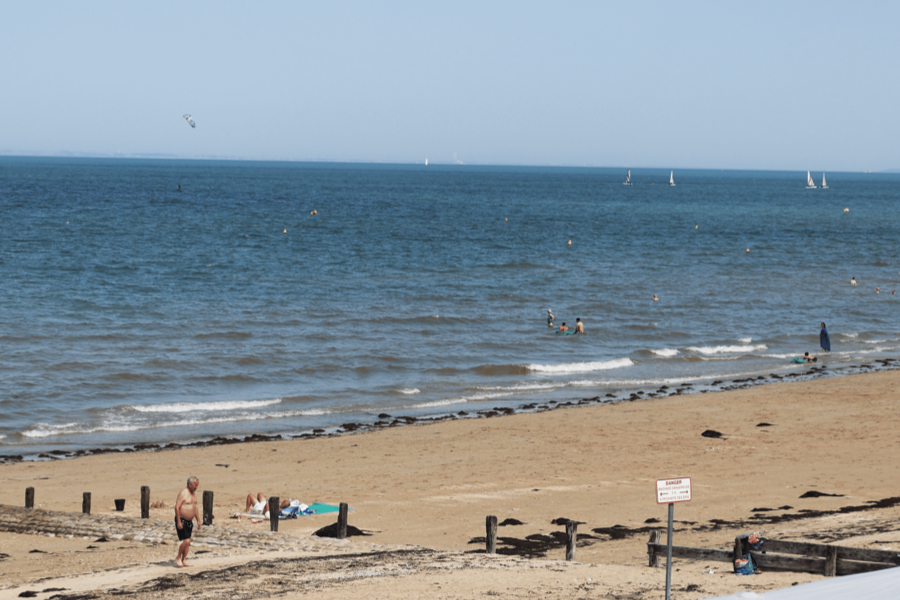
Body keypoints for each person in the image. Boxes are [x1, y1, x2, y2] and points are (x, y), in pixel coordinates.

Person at [175, 476, 201, 567]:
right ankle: (178, 557)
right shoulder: (183, 493)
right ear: (189, 484)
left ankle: (184, 560)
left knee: (188, 542)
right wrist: (178, 521)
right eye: (195, 485)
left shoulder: (195, 493)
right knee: (186, 541)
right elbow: (177, 507)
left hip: (190, 521)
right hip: (182, 519)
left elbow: (195, 507)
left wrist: (198, 520)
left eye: (197, 485)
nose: (196, 487)